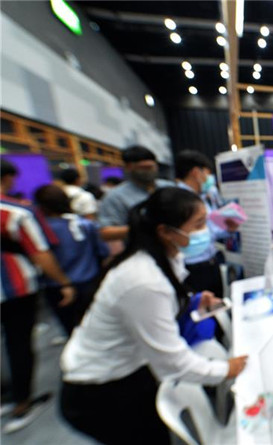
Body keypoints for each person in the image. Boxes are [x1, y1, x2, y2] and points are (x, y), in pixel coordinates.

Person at [60, 187, 248, 444]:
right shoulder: (143, 280)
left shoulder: (165, 257)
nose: (205, 231)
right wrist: (226, 369)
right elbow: (173, 362)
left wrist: (191, 302)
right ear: (165, 231)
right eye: (198, 224)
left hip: (131, 369)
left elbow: (159, 306)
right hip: (100, 389)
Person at [0, 159, 76, 434]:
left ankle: (6, 396)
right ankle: (22, 401)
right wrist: (64, 282)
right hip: (16, 287)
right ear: (8, 178)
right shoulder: (16, 212)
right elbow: (40, 253)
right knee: (18, 342)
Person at [34, 185, 109, 335]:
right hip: (90, 282)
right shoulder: (85, 224)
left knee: (72, 330)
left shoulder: (40, 230)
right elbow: (103, 252)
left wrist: (64, 283)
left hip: (58, 287)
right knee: (97, 327)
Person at [174, 151, 237, 300]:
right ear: (196, 172)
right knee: (201, 308)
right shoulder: (178, 199)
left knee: (216, 304)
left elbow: (210, 230)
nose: (210, 179)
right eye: (207, 174)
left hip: (210, 262)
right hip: (192, 268)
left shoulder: (200, 197)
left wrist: (227, 229)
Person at [98, 146, 172, 241]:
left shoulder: (169, 187)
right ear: (128, 168)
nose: (149, 172)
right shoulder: (115, 197)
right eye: (143, 168)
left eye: (151, 167)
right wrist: (143, 228)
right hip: (142, 247)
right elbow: (105, 232)